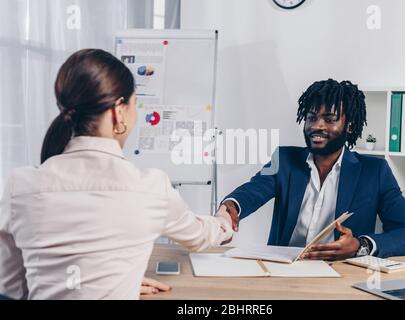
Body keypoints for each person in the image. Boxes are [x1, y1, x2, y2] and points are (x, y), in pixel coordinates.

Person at [0, 49, 233, 300]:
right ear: (118, 111)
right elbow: (200, 236)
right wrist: (224, 221)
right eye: (135, 105)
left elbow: (11, 289)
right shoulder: (150, 187)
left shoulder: (19, 185)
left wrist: (111, 282)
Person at [220, 79, 405, 260]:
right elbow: (253, 190)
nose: (317, 126)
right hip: (283, 271)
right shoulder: (283, 159)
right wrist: (231, 206)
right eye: (311, 117)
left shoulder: (375, 171)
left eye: (329, 119)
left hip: (340, 276)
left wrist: (360, 246)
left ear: (350, 126)